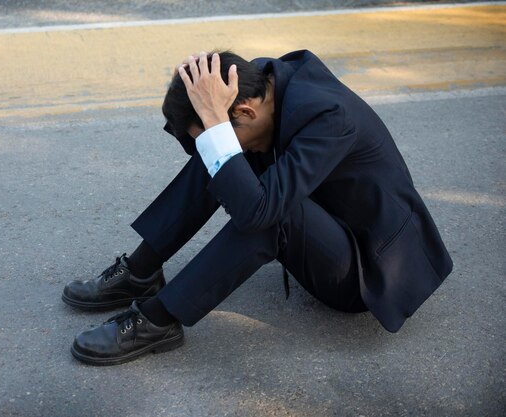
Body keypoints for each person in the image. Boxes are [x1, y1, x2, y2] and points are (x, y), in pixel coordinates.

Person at [62, 50, 453, 366]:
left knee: (261, 202)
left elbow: (258, 213)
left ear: (247, 111)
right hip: (328, 223)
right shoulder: (264, 84)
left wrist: (216, 126)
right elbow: (217, 148)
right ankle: (141, 272)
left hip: (365, 272)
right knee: (218, 150)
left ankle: (159, 320)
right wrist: (206, 115)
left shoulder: (329, 118)